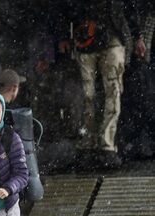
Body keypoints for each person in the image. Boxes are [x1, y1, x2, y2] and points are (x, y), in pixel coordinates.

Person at [57, 0, 143, 168]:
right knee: (88, 95)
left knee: (111, 92)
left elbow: (130, 7)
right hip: (87, 38)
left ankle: (105, 144)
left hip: (107, 38)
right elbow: (64, 8)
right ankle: (92, 142)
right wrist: (63, 36)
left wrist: (137, 35)